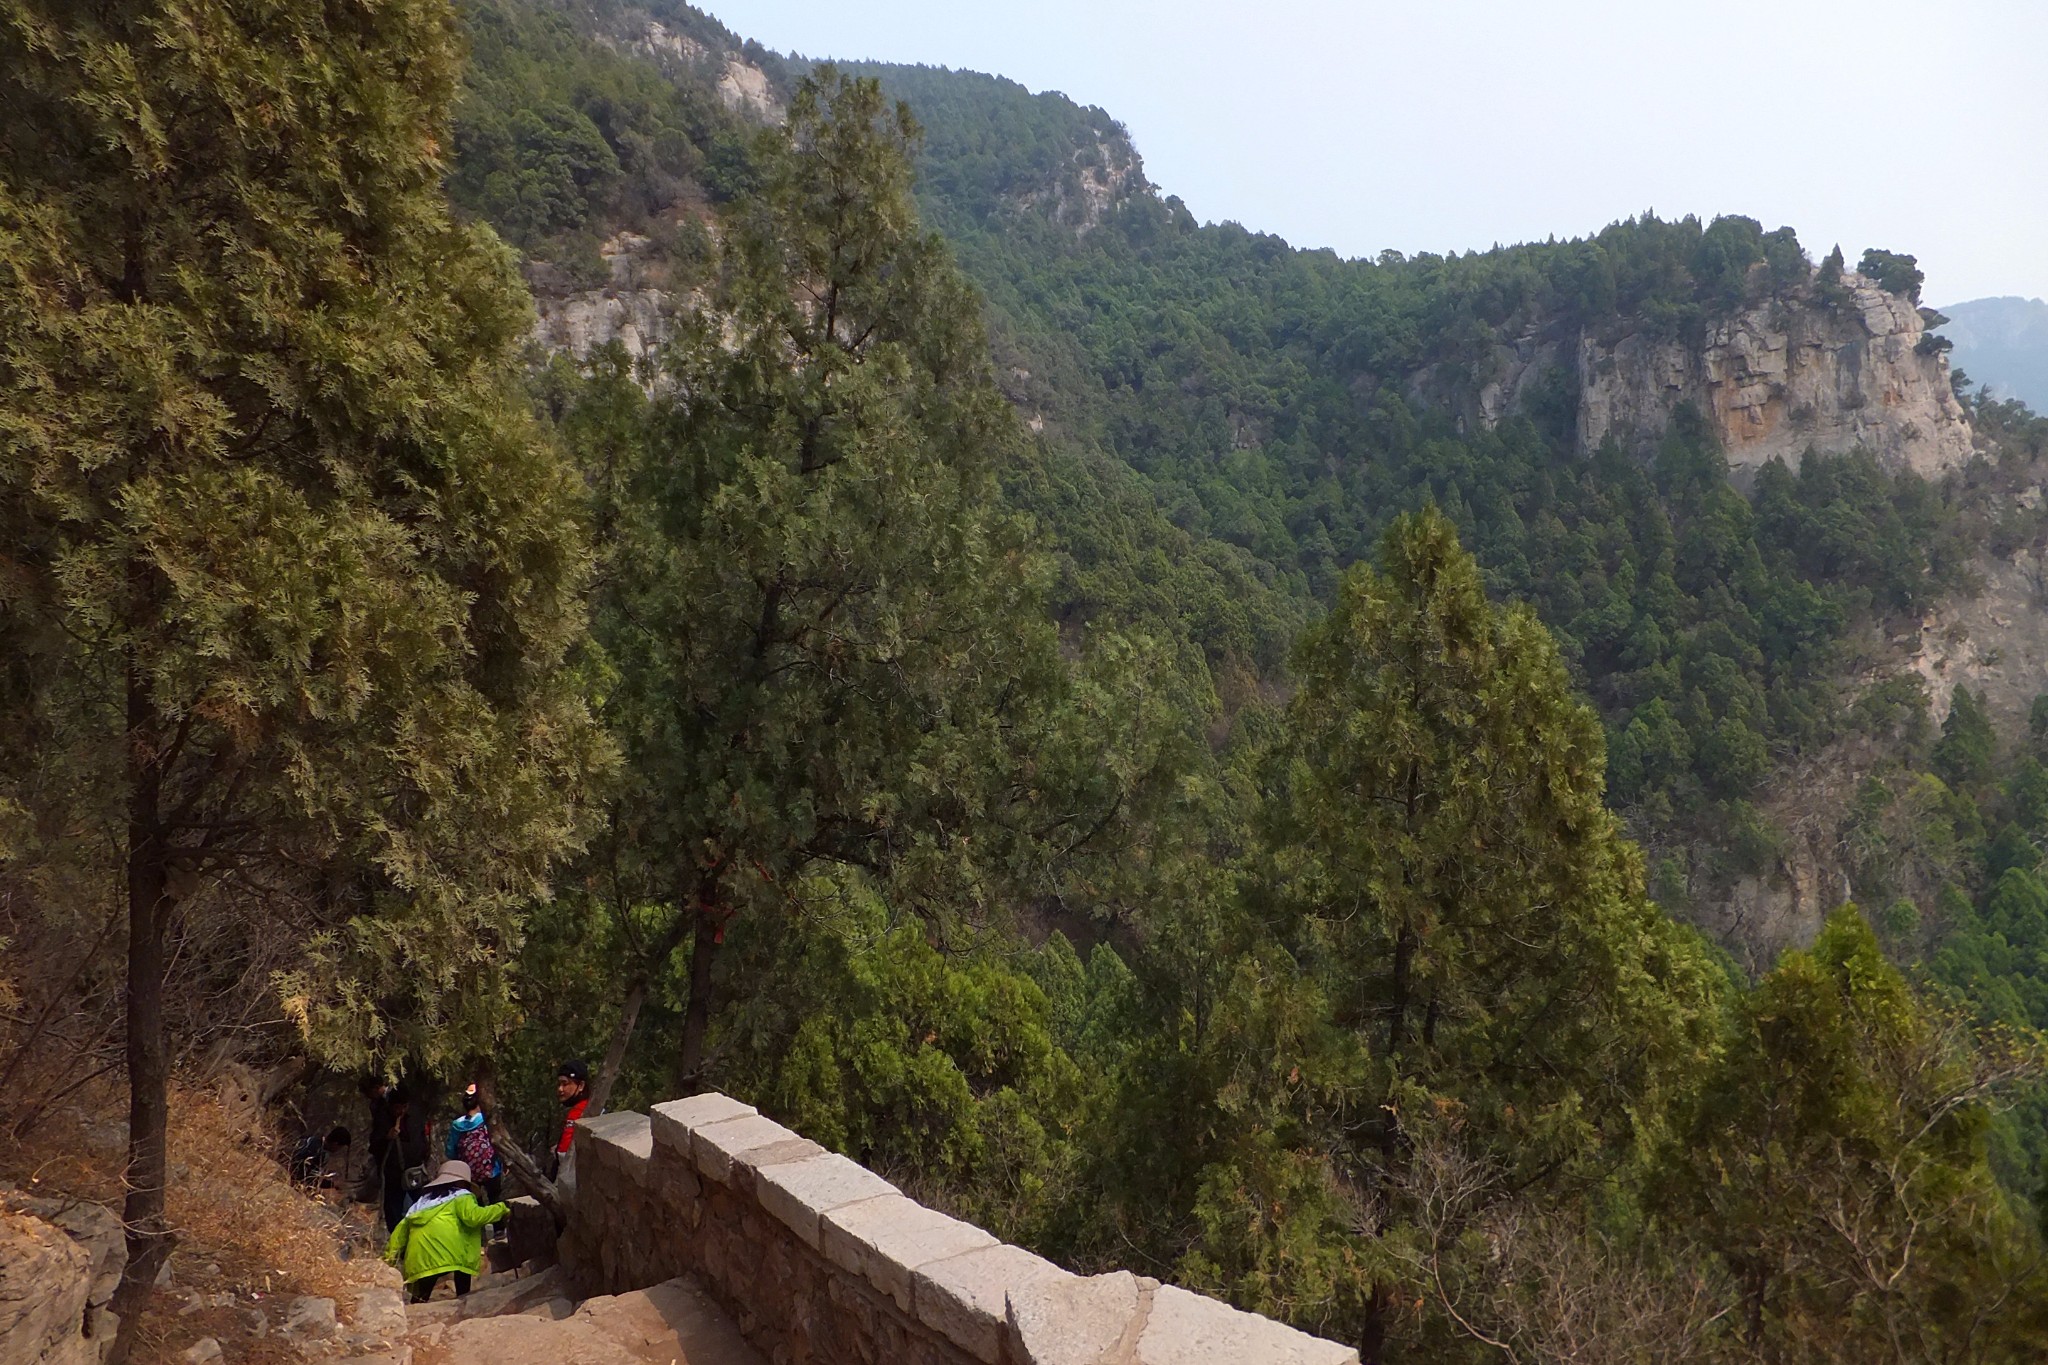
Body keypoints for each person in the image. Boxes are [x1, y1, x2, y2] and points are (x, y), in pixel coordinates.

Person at [383, 1159, 507, 1303]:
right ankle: (462, 1301)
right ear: (464, 1182)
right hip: (451, 1251)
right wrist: (502, 1208)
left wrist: (388, 1259)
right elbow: (474, 1217)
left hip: (420, 1256)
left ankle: (416, 1305)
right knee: (461, 1271)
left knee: (426, 1281)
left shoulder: (421, 1203)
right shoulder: (462, 1196)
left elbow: (399, 1234)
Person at [367, 1079, 430, 1235]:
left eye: (404, 1107)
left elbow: (422, 1140)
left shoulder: (415, 1118)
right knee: (394, 1210)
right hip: (394, 1174)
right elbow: (374, 1147)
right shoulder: (382, 1119)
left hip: (415, 1172)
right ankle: (396, 1242)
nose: (400, 1111)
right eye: (397, 1107)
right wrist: (386, 1137)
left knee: (421, 1207)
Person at [444, 1084, 503, 1206]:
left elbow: (450, 1151)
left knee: (474, 1204)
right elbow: (498, 1141)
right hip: (491, 1170)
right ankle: (499, 1224)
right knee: (495, 1200)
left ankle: (478, 1224)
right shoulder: (487, 1120)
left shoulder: (456, 1125)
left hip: (468, 1173)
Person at [547, 1059, 590, 1179]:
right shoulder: (586, 1107)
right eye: (559, 1084)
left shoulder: (579, 1112)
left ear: (580, 1086)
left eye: (565, 1084)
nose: (560, 1089)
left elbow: (564, 1153)